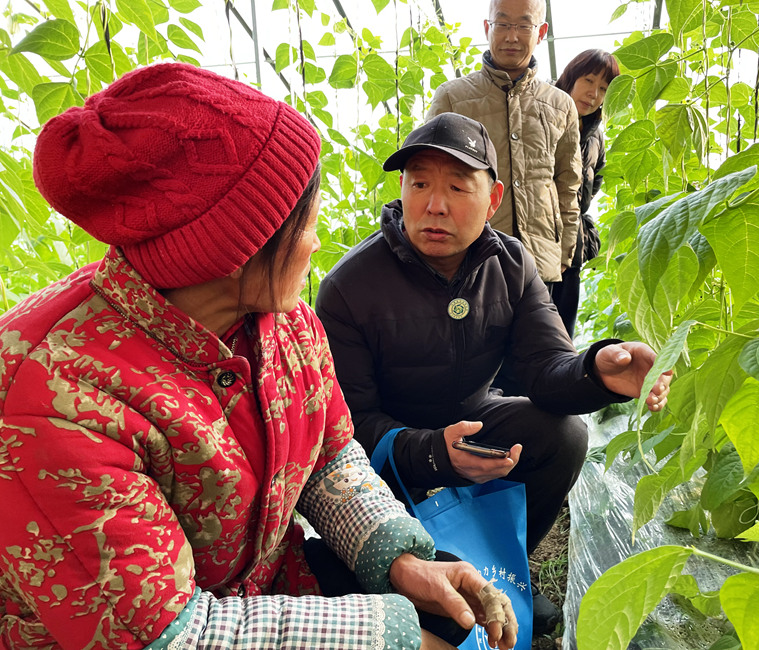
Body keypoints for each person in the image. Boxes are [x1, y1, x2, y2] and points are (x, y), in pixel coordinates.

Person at [0, 63, 518, 650]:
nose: (318, 243)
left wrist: (399, 559)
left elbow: (328, 454)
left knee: (448, 609)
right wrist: (393, 638)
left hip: (262, 593)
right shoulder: (52, 396)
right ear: (236, 243)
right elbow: (171, 635)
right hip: (166, 634)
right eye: (306, 224)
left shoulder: (282, 319)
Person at [315, 112, 672, 636]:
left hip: (471, 421)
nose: (434, 205)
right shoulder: (350, 287)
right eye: (420, 184)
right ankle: (426, 576)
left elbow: (546, 367)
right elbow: (347, 428)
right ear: (402, 189)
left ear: (493, 198)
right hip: (387, 448)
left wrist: (595, 371)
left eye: (457, 187)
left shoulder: (510, 265)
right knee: (445, 622)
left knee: (565, 435)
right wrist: (433, 450)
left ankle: (504, 571)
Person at [426, 0, 582, 289]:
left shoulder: (561, 105)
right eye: (503, 24)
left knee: (541, 336)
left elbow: (568, 184)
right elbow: (429, 178)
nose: (512, 36)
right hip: (471, 262)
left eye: (524, 25)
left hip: (541, 263)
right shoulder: (452, 98)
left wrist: (564, 252)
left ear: (541, 32)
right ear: (487, 28)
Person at [550, 49, 621, 337]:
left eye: (603, 88)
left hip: (572, 244)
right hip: (537, 238)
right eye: (588, 81)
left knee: (562, 332)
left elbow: (593, 185)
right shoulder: (542, 113)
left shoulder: (595, 135)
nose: (593, 93)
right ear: (570, 77)